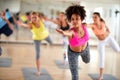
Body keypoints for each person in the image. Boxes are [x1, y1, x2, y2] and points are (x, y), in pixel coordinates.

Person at [56, 5, 90, 80]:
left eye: (77, 19)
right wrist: (62, 32)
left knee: (87, 61)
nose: (74, 21)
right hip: (73, 54)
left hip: (85, 49)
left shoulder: (85, 26)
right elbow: (66, 33)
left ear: (82, 19)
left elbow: (92, 25)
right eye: (72, 19)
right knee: (75, 76)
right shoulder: (71, 31)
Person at [86, 12, 120, 80]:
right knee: (102, 58)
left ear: (99, 17)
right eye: (93, 17)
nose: (94, 18)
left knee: (118, 49)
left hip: (109, 38)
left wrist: (107, 32)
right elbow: (87, 25)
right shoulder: (93, 25)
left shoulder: (103, 22)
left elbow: (108, 29)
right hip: (101, 42)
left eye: (95, 17)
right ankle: (101, 76)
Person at [17, 11, 52, 76]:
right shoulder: (31, 24)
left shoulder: (41, 20)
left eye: (35, 17)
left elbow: (48, 19)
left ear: (38, 17)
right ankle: (38, 71)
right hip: (37, 39)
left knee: (51, 42)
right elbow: (26, 25)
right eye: (32, 17)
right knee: (37, 55)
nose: (34, 19)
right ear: (31, 18)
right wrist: (21, 24)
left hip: (45, 35)